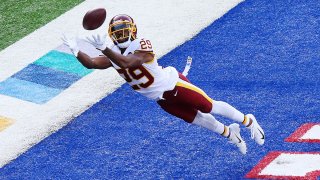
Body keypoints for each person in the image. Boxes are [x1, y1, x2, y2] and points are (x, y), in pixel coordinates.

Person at [62, 14, 265, 154]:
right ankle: (231, 134)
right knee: (197, 119)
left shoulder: (140, 43)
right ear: (112, 34)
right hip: (160, 99)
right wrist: (75, 50)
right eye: (118, 31)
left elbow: (128, 62)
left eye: (125, 30)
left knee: (208, 105)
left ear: (133, 30)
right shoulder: (112, 53)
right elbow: (91, 64)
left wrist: (105, 48)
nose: (122, 34)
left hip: (172, 85)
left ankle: (248, 120)